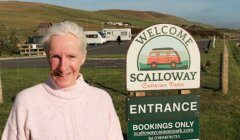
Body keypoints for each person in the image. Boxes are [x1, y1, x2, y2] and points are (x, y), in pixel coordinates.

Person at [2, 21, 124, 140]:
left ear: (83, 57)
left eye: (71, 56)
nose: (63, 67)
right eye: (55, 57)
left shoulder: (102, 99)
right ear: (47, 57)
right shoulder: (26, 102)